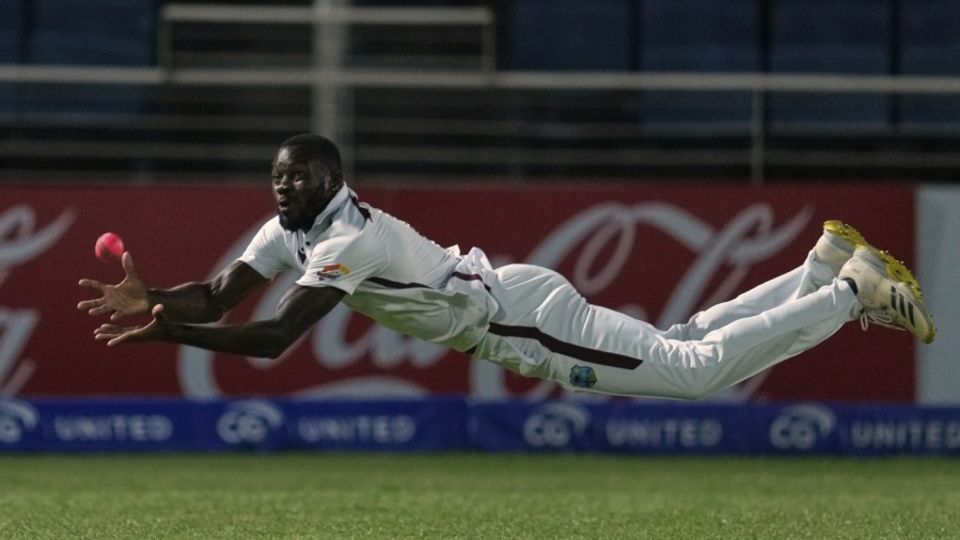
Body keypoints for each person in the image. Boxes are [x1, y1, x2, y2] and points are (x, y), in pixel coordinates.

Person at [77, 134, 936, 400]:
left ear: (331, 181)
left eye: (294, 178)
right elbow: (220, 295)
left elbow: (271, 339)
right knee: (681, 342)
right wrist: (158, 298)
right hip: (516, 303)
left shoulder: (346, 240)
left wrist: (166, 334)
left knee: (695, 374)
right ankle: (819, 271)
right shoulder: (293, 229)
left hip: (521, 322)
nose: (280, 188)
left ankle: (847, 292)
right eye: (275, 177)